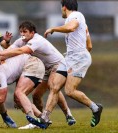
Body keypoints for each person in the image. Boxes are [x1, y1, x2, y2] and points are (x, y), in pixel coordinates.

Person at [0, 21, 76, 129]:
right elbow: (9, 51)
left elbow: (21, 51)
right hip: (43, 68)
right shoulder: (21, 40)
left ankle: (67, 114)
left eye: (25, 32)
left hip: (57, 65)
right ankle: (40, 121)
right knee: (36, 96)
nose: (22, 34)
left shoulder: (37, 40)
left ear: (32, 32)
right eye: (20, 32)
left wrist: (1, 53)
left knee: (53, 87)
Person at [43, 0, 103, 128]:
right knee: (54, 87)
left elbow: (71, 27)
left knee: (70, 91)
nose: (61, 10)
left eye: (61, 8)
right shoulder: (79, 22)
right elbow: (90, 45)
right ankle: (44, 118)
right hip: (69, 58)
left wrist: (53, 28)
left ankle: (95, 108)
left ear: (64, 7)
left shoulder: (76, 16)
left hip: (78, 58)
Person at [0, 54, 45, 129]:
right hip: (34, 65)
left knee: (19, 93)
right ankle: (44, 119)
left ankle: (33, 121)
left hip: (32, 64)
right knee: (18, 99)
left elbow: (1, 99)